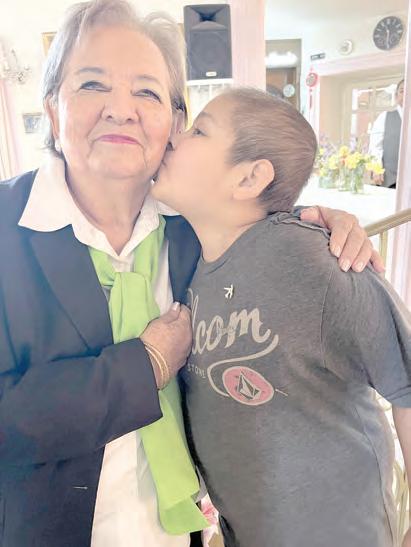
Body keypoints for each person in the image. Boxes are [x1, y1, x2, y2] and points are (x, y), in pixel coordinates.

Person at [0, 1, 384, 546]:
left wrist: (312, 224)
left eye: (147, 92)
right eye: (92, 84)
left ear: (174, 126)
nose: (120, 110)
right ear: (52, 111)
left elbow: (245, 209)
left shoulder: (190, 229)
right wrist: (146, 365)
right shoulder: (7, 230)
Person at [152, 88, 411, 547]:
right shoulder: (191, 261)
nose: (175, 137)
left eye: (198, 130)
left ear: (250, 178)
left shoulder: (311, 260)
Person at [369, 79, 404, 188]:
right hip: (390, 181)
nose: (407, 94)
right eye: (402, 91)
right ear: (396, 96)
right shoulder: (384, 117)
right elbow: (375, 147)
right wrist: (376, 169)